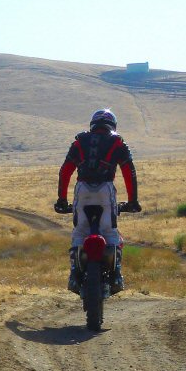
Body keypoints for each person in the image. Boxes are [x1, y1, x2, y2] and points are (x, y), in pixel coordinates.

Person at [55, 108, 140, 294]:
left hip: (82, 189)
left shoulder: (79, 142)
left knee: (80, 231)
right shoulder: (117, 142)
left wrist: (62, 199)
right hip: (105, 189)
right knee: (110, 232)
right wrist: (133, 201)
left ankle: (74, 275)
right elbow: (129, 172)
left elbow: (65, 171)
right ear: (113, 125)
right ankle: (116, 275)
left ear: (92, 124)